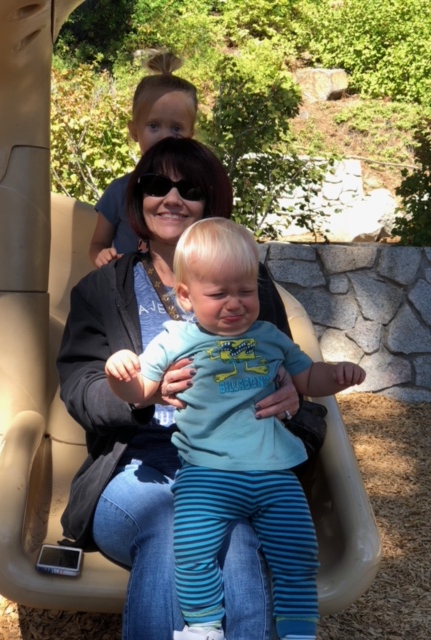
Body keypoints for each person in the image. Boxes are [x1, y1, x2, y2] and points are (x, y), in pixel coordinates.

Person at [57, 137, 302, 640]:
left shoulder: (250, 286)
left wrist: (293, 401)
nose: (171, 198)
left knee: (231, 537)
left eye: (189, 189)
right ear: (137, 198)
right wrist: (138, 394)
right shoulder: (101, 289)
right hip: (137, 467)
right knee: (175, 523)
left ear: (210, 203)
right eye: (156, 185)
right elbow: (80, 388)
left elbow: (296, 380)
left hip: (236, 465)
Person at [105, 218, 366, 640]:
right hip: (207, 474)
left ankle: (299, 630)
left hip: (274, 472)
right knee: (191, 552)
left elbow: (307, 379)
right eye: (218, 294)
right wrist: (119, 374)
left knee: (298, 555)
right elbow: (140, 390)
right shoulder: (176, 339)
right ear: (186, 296)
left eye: (245, 291)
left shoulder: (270, 337)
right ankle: (203, 624)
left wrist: (335, 374)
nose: (234, 303)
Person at [88, 51, 198, 267]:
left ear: (190, 134)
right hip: (128, 286)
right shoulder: (119, 191)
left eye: (176, 128)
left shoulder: (196, 193)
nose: (165, 137)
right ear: (134, 130)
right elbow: (97, 244)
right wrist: (101, 256)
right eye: (154, 126)